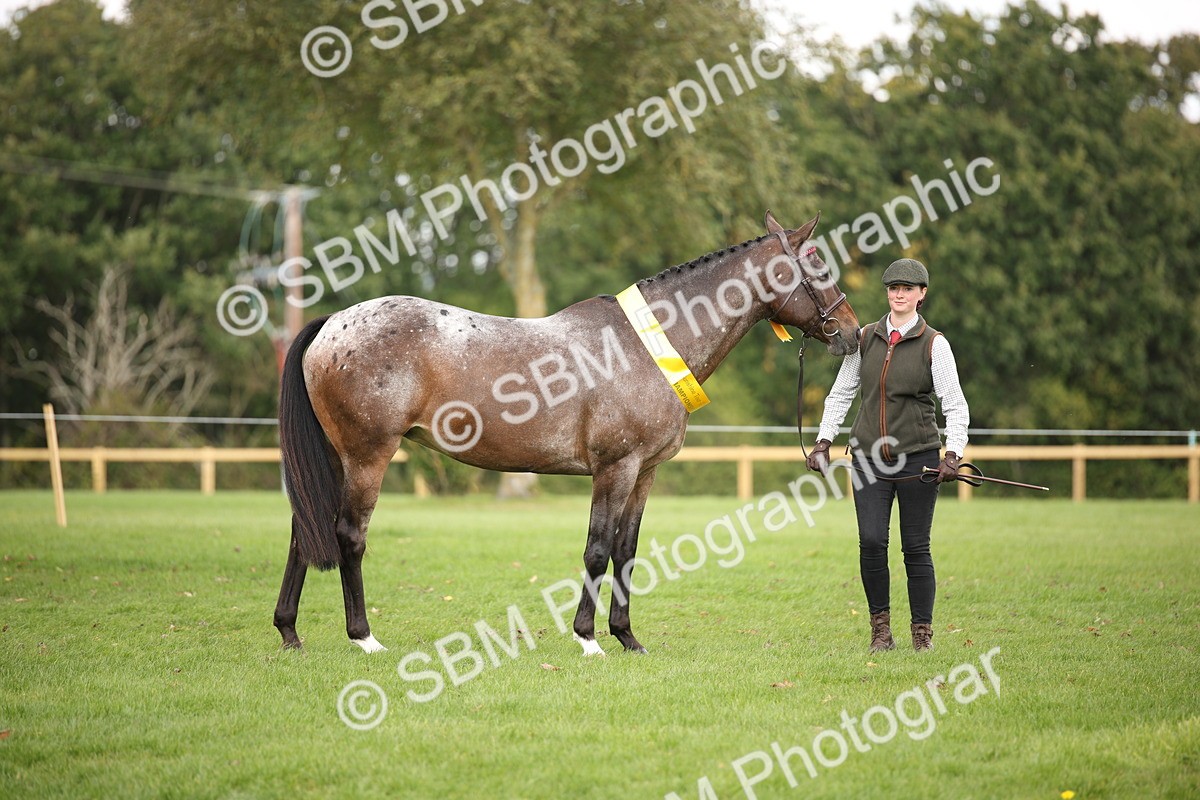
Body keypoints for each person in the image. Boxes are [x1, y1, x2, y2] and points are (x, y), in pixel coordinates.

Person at [805, 258, 970, 652]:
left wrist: (953, 454)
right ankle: (881, 631)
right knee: (872, 541)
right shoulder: (864, 337)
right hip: (867, 459)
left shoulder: (935, 344)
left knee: (916, 546)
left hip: (919, 457)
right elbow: (843, 391)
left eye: (908, 289)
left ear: (921, 294)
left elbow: (955, 403)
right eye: (893, 288)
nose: (899, 294)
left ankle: (922, 634)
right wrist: (824, 441)